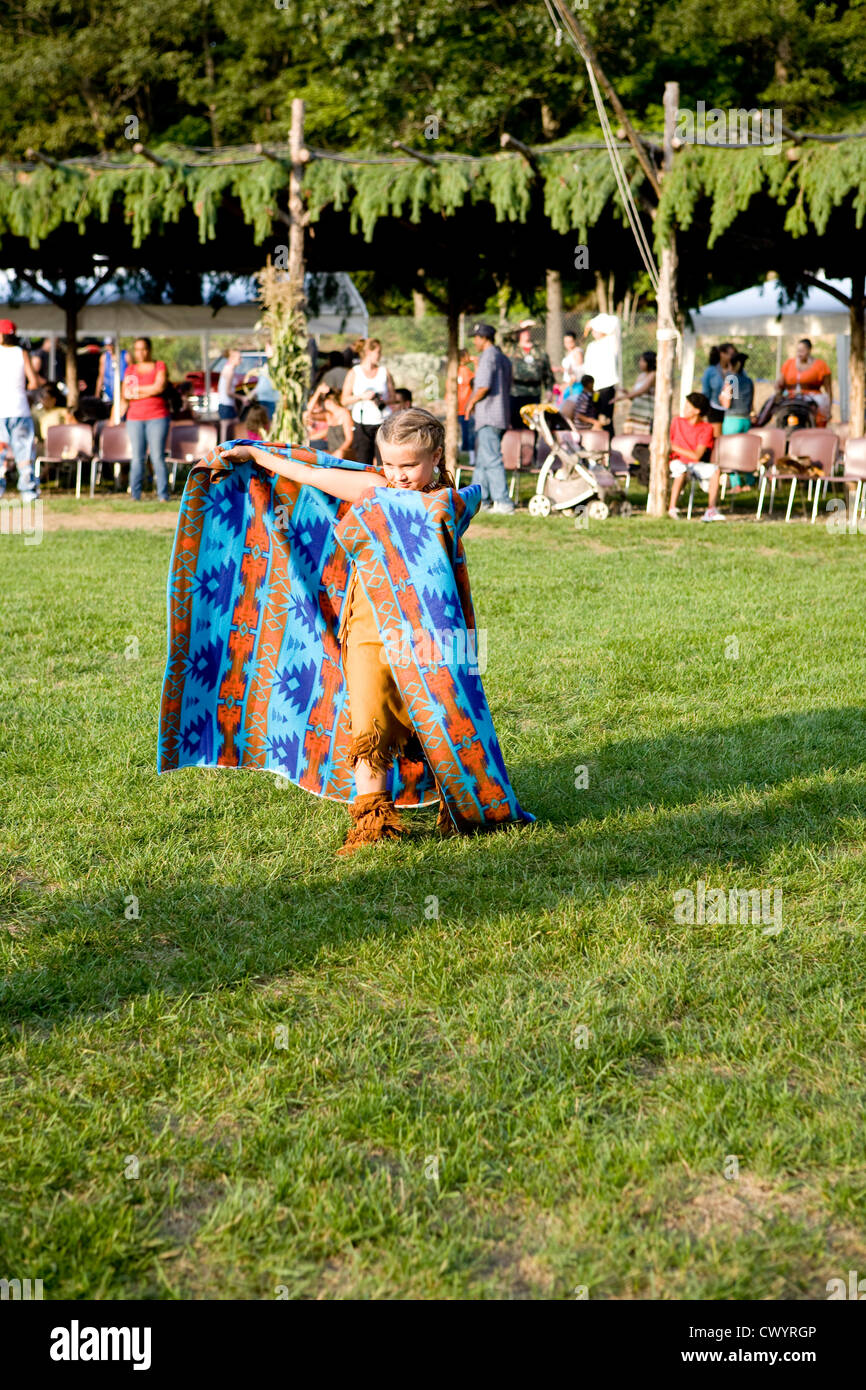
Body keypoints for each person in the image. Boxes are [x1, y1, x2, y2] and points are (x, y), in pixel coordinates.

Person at [202, 406, 532, 852]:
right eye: (390, 464)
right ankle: (372, 821)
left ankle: (458, 805)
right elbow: (315, 478)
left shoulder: (447, 501)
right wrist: (262, 459)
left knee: (441, 709)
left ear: (436, 457)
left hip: (430, 629)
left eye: (409, 465)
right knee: (369, 717)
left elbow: (444, 523)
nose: (398, 475)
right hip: (368, 624)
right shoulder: (375, 489)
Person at [462, 321, 514, 514]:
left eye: (476, 338)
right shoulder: (502, 357)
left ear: (483, 338)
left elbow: (483, 386)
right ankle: (479, 501)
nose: (474, 342)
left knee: (491, 459)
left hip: (488, 415)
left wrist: (470, 403)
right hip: (501, 414)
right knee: (483, 460)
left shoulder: (487, 356)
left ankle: (503, 502)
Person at [123, 336, 171, 502]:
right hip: (135, 418)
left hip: (157, 417)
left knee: (157, 456)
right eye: (137, 349)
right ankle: (135, 495)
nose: (140, 353)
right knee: (137, 457)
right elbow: (126, 393)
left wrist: (137, 391)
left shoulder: (159, 366)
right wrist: (147, 390)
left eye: (143, 349)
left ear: (149, 350)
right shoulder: (130, 370)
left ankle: (163, 495)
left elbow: (159, 387)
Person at [667, 392, 723, 521]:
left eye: (687, 406)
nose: (684, 409)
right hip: (677, 461)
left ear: (697, 411)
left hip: (694, 464)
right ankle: (672, 508)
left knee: (715, 470)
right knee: (681, 469)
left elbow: (697, 455)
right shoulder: (677, 422)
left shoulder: (707, 428)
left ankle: (711, 510)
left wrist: (674, 447)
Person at [0, 319, 40, 501]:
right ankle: (28, 493)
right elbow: (34, 382)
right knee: (23, 453)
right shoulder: (22, 353)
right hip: (20, 409)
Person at [341, 338, 395, 465]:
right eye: (378, 352)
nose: (380, 355)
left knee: (385, 462)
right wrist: (362, 397)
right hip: (362, 423)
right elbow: (344, 400)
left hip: (383, 422)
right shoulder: (354, 372)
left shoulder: (384, 372)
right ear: (369, 353)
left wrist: (381, 399)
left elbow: (393, 397)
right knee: (363, 463)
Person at [776, 338, 832, 426]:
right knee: (772, 402)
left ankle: (818, 429)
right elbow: (780, 383)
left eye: (802, 350)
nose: (799, 353)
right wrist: (778, 388)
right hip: (791, 397)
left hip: (812, 397)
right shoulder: (789, 363)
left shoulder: (821, 365)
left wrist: (829, 407)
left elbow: (828, 389)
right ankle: (758, 421)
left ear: (809, 350)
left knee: (820, 407)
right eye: (798, 351)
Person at [509, 322, 554, 428]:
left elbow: (547, 371)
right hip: (517, 392)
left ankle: (531, 444)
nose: (527, 333)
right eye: (524, 331)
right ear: (518, 333)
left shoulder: (539, 350)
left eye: (528, 330)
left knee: (533, 424)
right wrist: (519, 325)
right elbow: (503, 335)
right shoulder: (512, 348)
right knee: (516, 423)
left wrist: (549, 389)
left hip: (534, 392)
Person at [581, 313, 620, 434]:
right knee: (595, 416)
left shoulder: (611, 341)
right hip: (594, 388)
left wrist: (592, 322)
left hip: (606, 388)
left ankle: (609, 443)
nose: (594, 332)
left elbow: (613, 321)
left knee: (606, 418)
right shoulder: (592, 346)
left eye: (596, 329)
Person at [303, 384, 354, 458]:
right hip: (332, 452)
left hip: (344, 453)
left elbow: (349, 439)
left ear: (330, 401)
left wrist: (339, 452)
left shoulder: (345, 414)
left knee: (339, 454)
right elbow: (307, 414)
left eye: (324, 401)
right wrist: (318, 391)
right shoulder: (328, 415)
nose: (323, 404)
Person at [617, 351, 656, 433]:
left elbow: (641, 391)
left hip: (646, 414)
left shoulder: (654, 375)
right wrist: (626, 393)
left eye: (642, 361)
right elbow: (633, 396)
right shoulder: (641, 376)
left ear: (649, 362)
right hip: (635, 412)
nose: (640, 363)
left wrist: (622, 398)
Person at [700, 343, 735, 425]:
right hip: (714, 410)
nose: (733, 357)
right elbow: (706, 392)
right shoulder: (710, 371)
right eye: (731, 354)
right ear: (722, 354)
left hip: (732, 413)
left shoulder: (737, 371)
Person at [249, 343, 279, 422]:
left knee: (271, 423)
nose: (266, 350)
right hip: (262, 399)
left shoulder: (278, 364)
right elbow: (262, 383)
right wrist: (252, 394)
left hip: (272, 400)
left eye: (268, 348)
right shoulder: (266, 364)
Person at [95, 338, 128, 406]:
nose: (109, 347)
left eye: (111, 345)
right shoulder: (104, 358)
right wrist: (97, 394)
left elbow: (133, 375)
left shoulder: (126, 356)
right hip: (108, 392)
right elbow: (101, 376)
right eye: (107, 345)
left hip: (123, 392)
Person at [457, 347, 476, 465]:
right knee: (468, 434)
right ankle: (470, 455)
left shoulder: (460, 371)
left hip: (462, 408)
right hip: (464, 407)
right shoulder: (464, 370)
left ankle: (470, 456)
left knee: (466, 433)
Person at [216, 348, 241, 421]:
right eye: (239, 358)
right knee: (227, 430)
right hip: (225, 406)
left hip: (229, 405)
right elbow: (228, 392)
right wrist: (242, 398)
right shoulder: (229, 371)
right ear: (232, 358)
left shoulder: (229, 369)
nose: (241, 360)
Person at [561, 330, 584, 399]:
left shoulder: (577, 352)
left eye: (570, 342)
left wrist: (567, 385)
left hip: (575, 385)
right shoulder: (568, 353)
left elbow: (578, 371)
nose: (568, 344)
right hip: (569, 384)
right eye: (566, 342)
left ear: (574, 341)